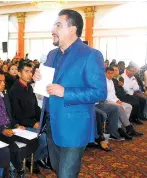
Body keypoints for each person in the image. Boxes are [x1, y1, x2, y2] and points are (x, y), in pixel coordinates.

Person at [33, 9, 107, 178]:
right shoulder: (52, 55)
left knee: (66, 174)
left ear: (72, 29)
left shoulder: (91, 55)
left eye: (58, 25)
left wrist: (66, 92)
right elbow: (47, 85)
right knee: (58, 170)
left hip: (74, 127)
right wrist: (38, 78)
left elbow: (100, 92)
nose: (53, 30)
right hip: (51, 124)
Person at [0, 70, 39, 178]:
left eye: (4, 81)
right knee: (13, 148)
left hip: (10, 128)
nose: (4, 83)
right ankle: (19, 168)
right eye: (0, 81)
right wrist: (2, 130)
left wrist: (16, 125)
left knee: (34, 141)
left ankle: (13, 163)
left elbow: (9, 115)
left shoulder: (4, 95)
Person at [9, 62, 48, 173]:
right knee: (44, 139)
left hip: (32, 122)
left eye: (31, 71)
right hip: (21, 125)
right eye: (26, 71)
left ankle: (36, 158)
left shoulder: (29, 87)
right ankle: (31, 159)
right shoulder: (15, 90)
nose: (30, 74)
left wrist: (42, 119)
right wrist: (33, 124)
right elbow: (17, 114)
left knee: (52, 135)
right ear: (19, 73)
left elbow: (35, 107)